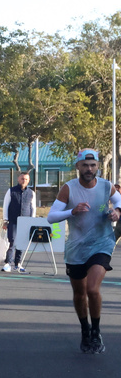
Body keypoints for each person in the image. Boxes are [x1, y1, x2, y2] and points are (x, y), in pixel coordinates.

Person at [46, 149, 121, 354]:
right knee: (79, 293)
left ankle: (96, 331)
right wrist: (72, 211)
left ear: (97, 166)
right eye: (85, 165)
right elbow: (51, 217)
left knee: (92, 289)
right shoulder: (69, 188)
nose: (89, 169)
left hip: (102, 243)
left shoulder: (107, 186)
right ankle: (85, 330)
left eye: (93, 165)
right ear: (78, 167)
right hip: (76, 248)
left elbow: (119, 201)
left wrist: (117, 212)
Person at [1, 172, 36, 273]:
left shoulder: (31, 193)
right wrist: (5, 220)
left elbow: (33, 208)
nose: (24, 181)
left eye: (26, 179)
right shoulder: (11, 191)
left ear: (28, 180)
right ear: (18, 179)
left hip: (26, 222)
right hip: (13, 221)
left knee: (22, 243)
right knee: (12, 242)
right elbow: (5, 205)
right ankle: (7, 263)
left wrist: (32, 221)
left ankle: (18, 264)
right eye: (22, 179)